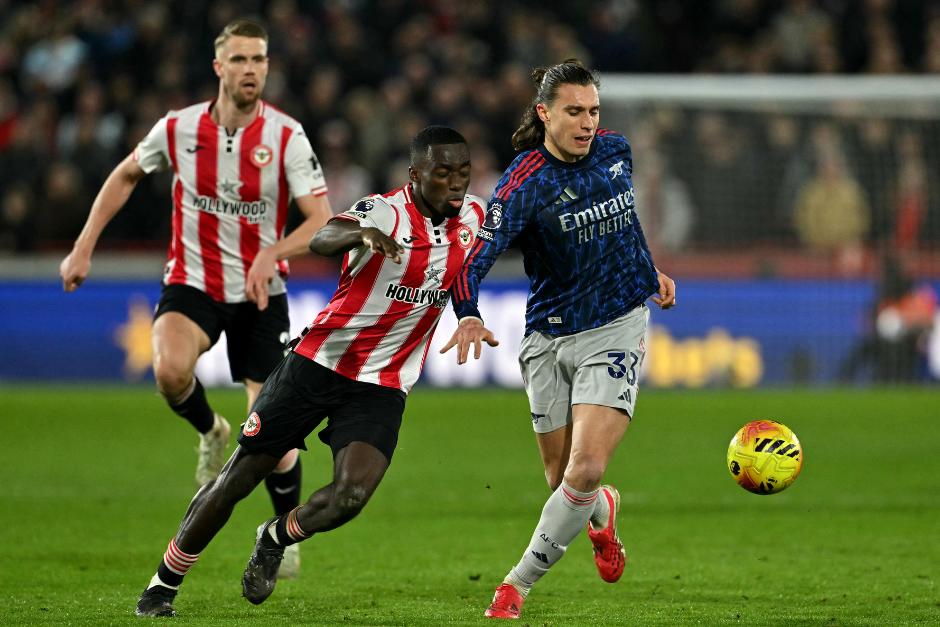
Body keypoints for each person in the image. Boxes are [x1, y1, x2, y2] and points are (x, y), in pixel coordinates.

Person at [133, 125, 486, 617]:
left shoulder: (475, 217)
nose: (456, 182)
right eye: (443, 172)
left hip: (382, 383)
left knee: (351, 496)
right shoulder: (384, 211)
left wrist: (469, 314)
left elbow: (470, 271)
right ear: (415, 174)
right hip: (318, 364)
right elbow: (323, 236)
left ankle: (275, 535)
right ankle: (162, 585)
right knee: (238, 478)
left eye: (463, 171)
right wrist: (362, 234)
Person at [59, 20, 332, 578]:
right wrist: (84, 246)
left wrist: (272, 250)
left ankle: (282, 535)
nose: (251, 69)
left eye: (259, 59)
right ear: (218, 67)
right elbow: (126, 174)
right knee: (169, 371)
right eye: (240, 59)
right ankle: (211, 430)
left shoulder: (286, 136)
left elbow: (322, 221)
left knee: (275, 434)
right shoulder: (179, 128)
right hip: (194, 280)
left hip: (260, 292)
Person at [441, 59, 677, 620]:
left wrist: (647, 271)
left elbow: (628, 223)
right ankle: (602, 514)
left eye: (593, 110)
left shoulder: (615, 151)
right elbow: (474, 259)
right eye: (574, 111)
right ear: (544, 114)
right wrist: (467, 314)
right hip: (549, 335)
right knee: (561, 480)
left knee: (585, 469)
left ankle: (514, 587)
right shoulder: (525, 184)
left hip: (617, 326)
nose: (588, 122)